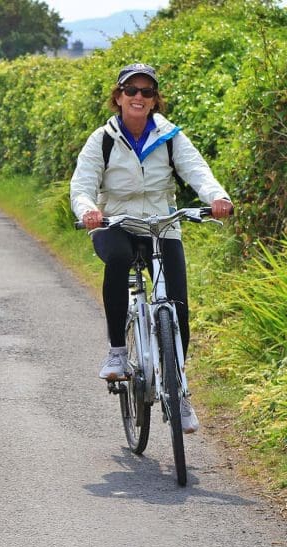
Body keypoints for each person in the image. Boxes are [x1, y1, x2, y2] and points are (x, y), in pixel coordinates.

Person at [70, 63, 233, 434]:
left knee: (177, 306)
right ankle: (117, 352)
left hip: (161, 223)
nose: (138, 97)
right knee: (120, 258)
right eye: (132, 91)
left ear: (155, 98)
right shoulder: (103, 139)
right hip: (115, 222)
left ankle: (179, 392)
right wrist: (89, 210)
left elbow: (197, 171)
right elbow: (82, 184)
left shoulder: (171, 136)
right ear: (119, 97)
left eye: (146, 91)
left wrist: (217, 197)